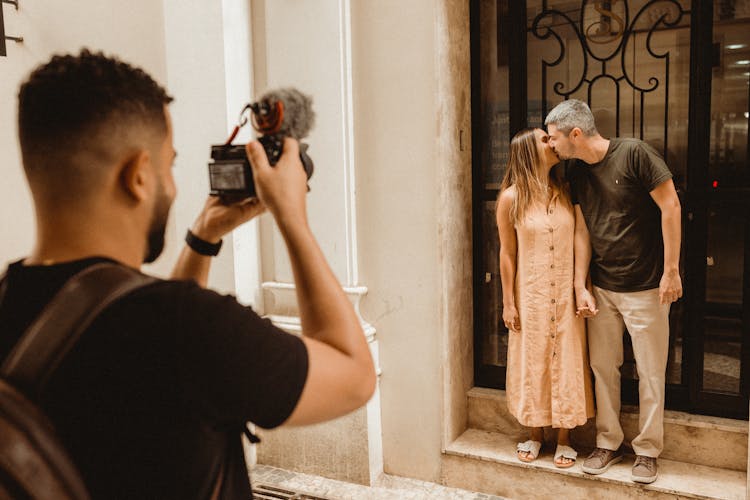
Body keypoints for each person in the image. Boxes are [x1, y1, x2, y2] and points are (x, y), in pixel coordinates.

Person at [0, 50, 376, 499]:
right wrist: (291, 217)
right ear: (139, 175)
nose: (173, 185)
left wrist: (203, 236)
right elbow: (353, 377)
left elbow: (141, 317)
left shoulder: (11, 305)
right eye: (169, 164)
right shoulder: (189, 328)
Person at [545, 99, 682, 484]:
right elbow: (583, 230)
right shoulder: (576, 172)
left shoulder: (635, 153)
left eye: (554, 138)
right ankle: (608, 441)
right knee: (603, 368)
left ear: (575, 134)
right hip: (602, 288)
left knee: (652, 372)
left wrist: (671, 271)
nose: (551, 146)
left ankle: (648, 450)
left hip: (646, 286)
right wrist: (580, 286)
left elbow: (670, 206)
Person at [496, 127, 595, 469]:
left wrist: (581, 286)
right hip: (532, 295)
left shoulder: (565, 192)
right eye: (544, 139)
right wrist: (508, 302)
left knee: (567, 359)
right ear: (526, 151)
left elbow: (581, 235)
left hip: (565, 294)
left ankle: (565, 438)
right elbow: (507, 254)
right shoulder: (511, 197)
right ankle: (535, 434)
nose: (552, 143)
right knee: (533, 360)